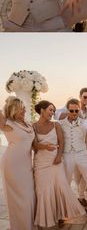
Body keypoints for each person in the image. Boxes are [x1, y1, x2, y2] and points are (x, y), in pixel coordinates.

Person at [33, 100, 85, 228]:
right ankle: (45, 218)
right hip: (41, 162)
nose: (52, 113)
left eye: (53, 111)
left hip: (55, 161)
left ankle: (61, 216)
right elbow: (34, 145)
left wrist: (58, 156)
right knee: (42, 191)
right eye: (50, 110)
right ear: (42, 110)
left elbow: (62, 142)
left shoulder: (56, 125)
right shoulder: (33, 126)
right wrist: (44, 146)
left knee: (60, 188)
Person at [0, 97, 36, 230]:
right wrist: (8, 104)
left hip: (26, 164)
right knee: (16, 198)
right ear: (14, 109)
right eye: (21, 108)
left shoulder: (27, 122)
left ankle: (29, 225)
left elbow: (32, 144)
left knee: (29, 196)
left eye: (24, 108)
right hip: (12, 164)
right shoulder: (8, 123)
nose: (25, 110)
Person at [59, 98, 87, 219]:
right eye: (71, 110)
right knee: (65, 183)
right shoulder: (60, 123)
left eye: (76, 110)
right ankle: (62, 212)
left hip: (82, 154)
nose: (74, 113)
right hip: (66, 155)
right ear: (67, 110)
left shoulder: (85, 122)